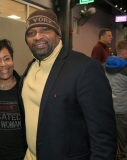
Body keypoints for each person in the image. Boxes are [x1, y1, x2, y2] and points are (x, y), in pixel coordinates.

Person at [19, 9, 117, 160]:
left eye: (45, 29)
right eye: (31, 33)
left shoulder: (84, 67)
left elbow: (103, 138)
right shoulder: (30, 68)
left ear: (58, 34)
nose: (37, 36)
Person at [105, 40, 127, 160]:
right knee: (122, 138)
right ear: (124, 52)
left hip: (110, 107)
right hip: (123, 109)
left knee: (114, 137)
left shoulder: (106, 65)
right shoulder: (126, 68)